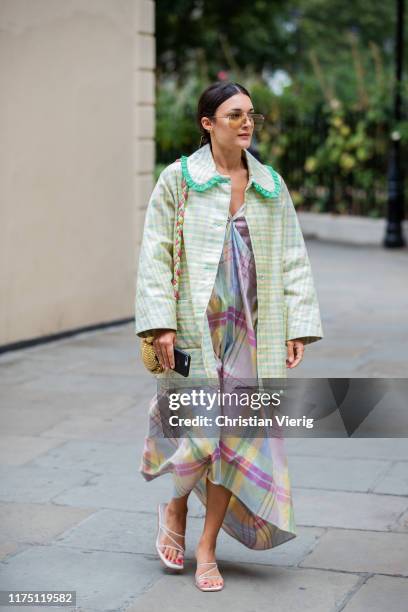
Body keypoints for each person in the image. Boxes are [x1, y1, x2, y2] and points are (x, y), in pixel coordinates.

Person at [134, 81, 323, 592]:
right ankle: (174, 509)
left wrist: (298, 325)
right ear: (207, 122)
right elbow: (155, 253)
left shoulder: (270, 185)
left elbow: (292, 257)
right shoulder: (180, 180)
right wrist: (161, 324)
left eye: (251, 115)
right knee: (198, 434)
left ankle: (206, 546)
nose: (246, 123)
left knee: (234, 439)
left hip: (251, 332)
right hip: (195, 330)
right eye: (234, 114)